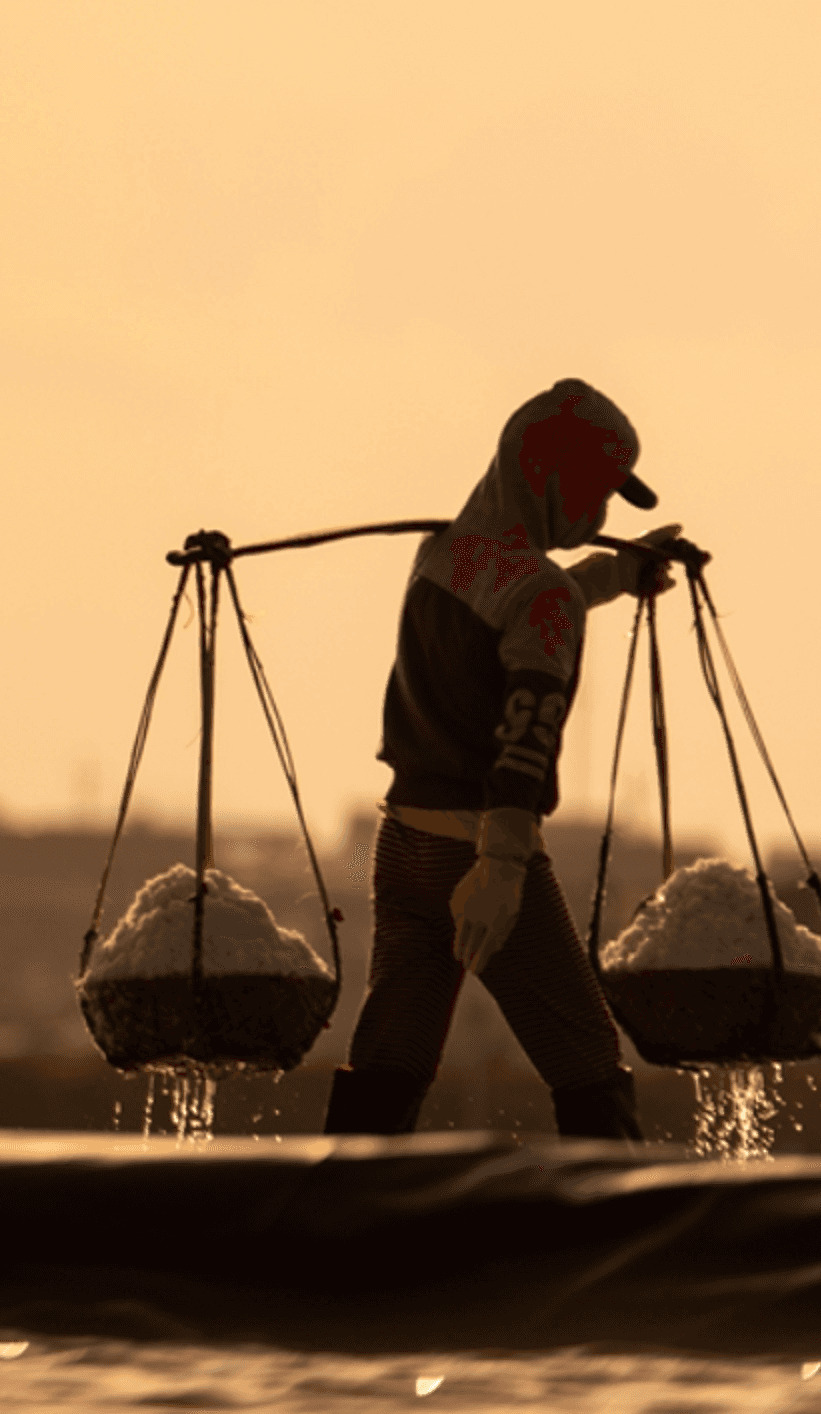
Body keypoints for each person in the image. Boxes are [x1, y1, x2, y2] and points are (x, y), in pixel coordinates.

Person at [324, 378, 680, 1141]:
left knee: (392, 1055)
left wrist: (615, 575)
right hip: (479, 848)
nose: (600, 518)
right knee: (585, 1058)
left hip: (404, 848)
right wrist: (503, 867)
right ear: (545, 475)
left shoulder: (439, 554)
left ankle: (333, 1222)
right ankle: (615, 1231)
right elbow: (528, 737)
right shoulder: (539, 593)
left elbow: (518, 603)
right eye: (594, 492)